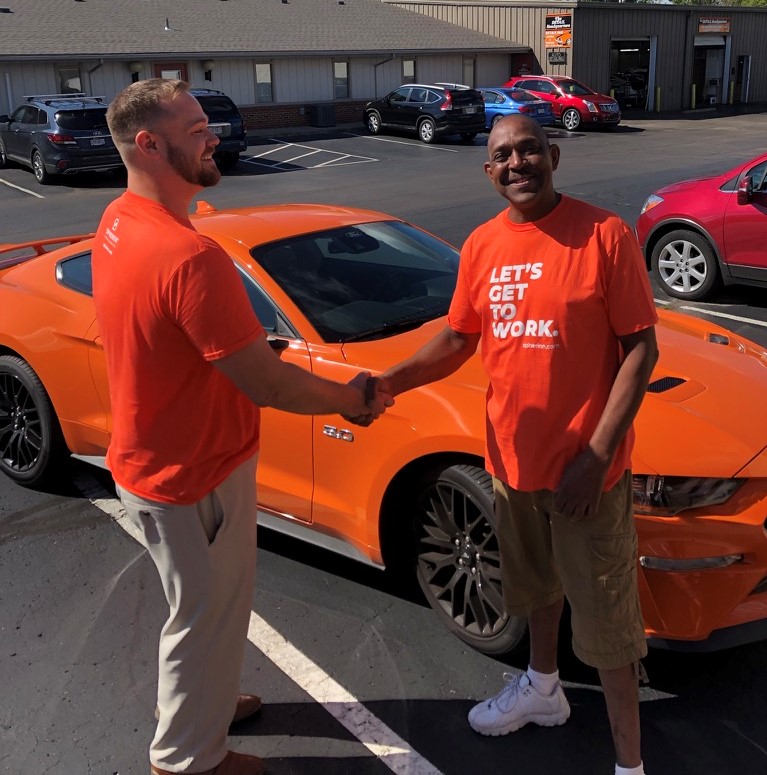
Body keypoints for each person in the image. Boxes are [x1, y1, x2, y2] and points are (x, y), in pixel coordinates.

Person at [91, 79, 391, 775]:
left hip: (155, 459)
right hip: (193, 472)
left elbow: (181, 336)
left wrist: (251, 348)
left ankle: (207, 703)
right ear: (149, 143)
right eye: (196, 128)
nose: (213, 135)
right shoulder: (188, 255)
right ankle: (185, 758)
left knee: (209, 609)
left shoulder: (118, 221)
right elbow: (267, 383)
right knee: (202, 613)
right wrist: (349, 398)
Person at [376, 114, 658, 775]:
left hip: (585, 473)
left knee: (609, 625)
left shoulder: (602, 234)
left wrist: (593, 456)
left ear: (553, 155)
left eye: (529, 150)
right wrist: (390, 380)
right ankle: (542, 688)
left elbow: (639, 349)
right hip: (509, 463)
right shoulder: (479, 246)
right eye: (502, 155)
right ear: (488, 171)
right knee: (533, 591)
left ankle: (630, 764)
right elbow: (456, 338)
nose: (517, 163)